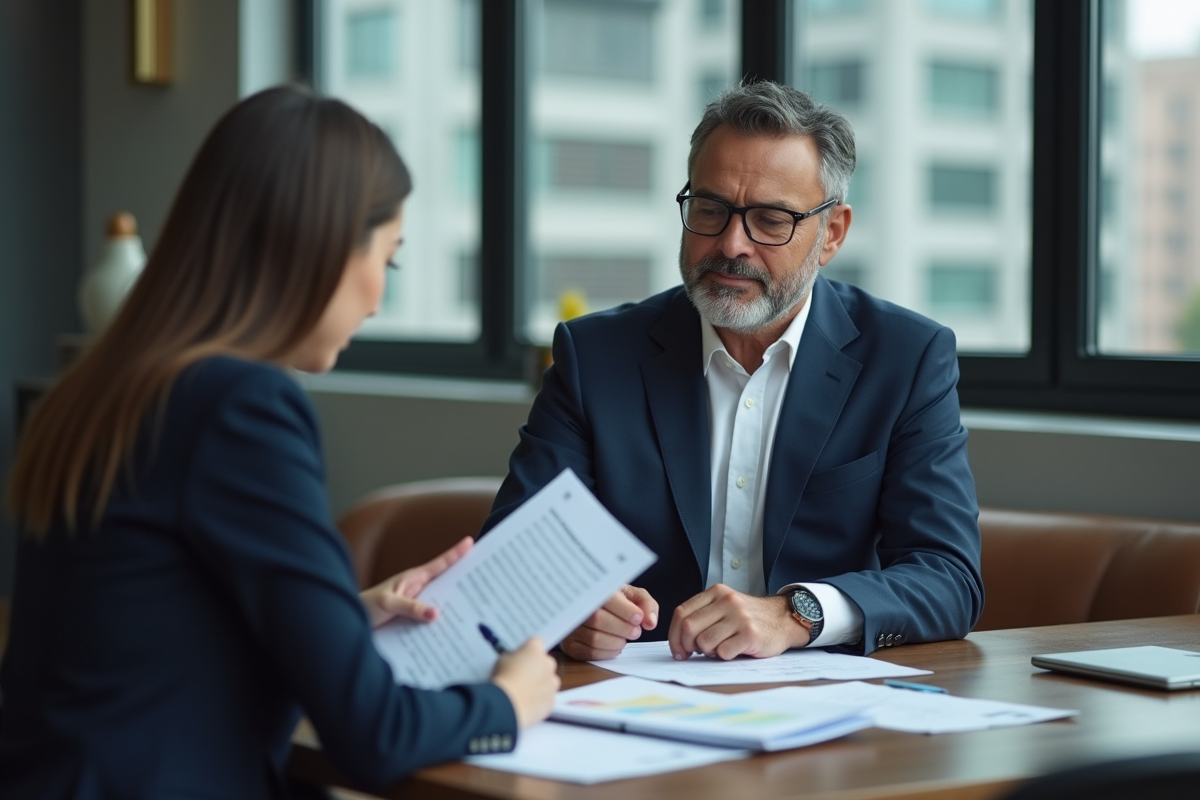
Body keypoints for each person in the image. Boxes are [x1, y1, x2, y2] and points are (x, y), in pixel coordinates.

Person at [0, 85, 559, 799]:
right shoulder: (239, 404)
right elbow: (373, 735)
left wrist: (342, 615)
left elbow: (145, 629)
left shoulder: (99, 388)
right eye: (386, 261)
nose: (379, 300)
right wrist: (507, 702)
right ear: (321, 246)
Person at [483, 80, 983, 663]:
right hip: (632, 704)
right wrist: (564, 609)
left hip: (822, 713)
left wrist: (799, 612)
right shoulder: (595, 356)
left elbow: (949, 578)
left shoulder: (906, 358)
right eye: (710, 209)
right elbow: (511, 560)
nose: (732, 244)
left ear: (832, 234)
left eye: (771, 220)